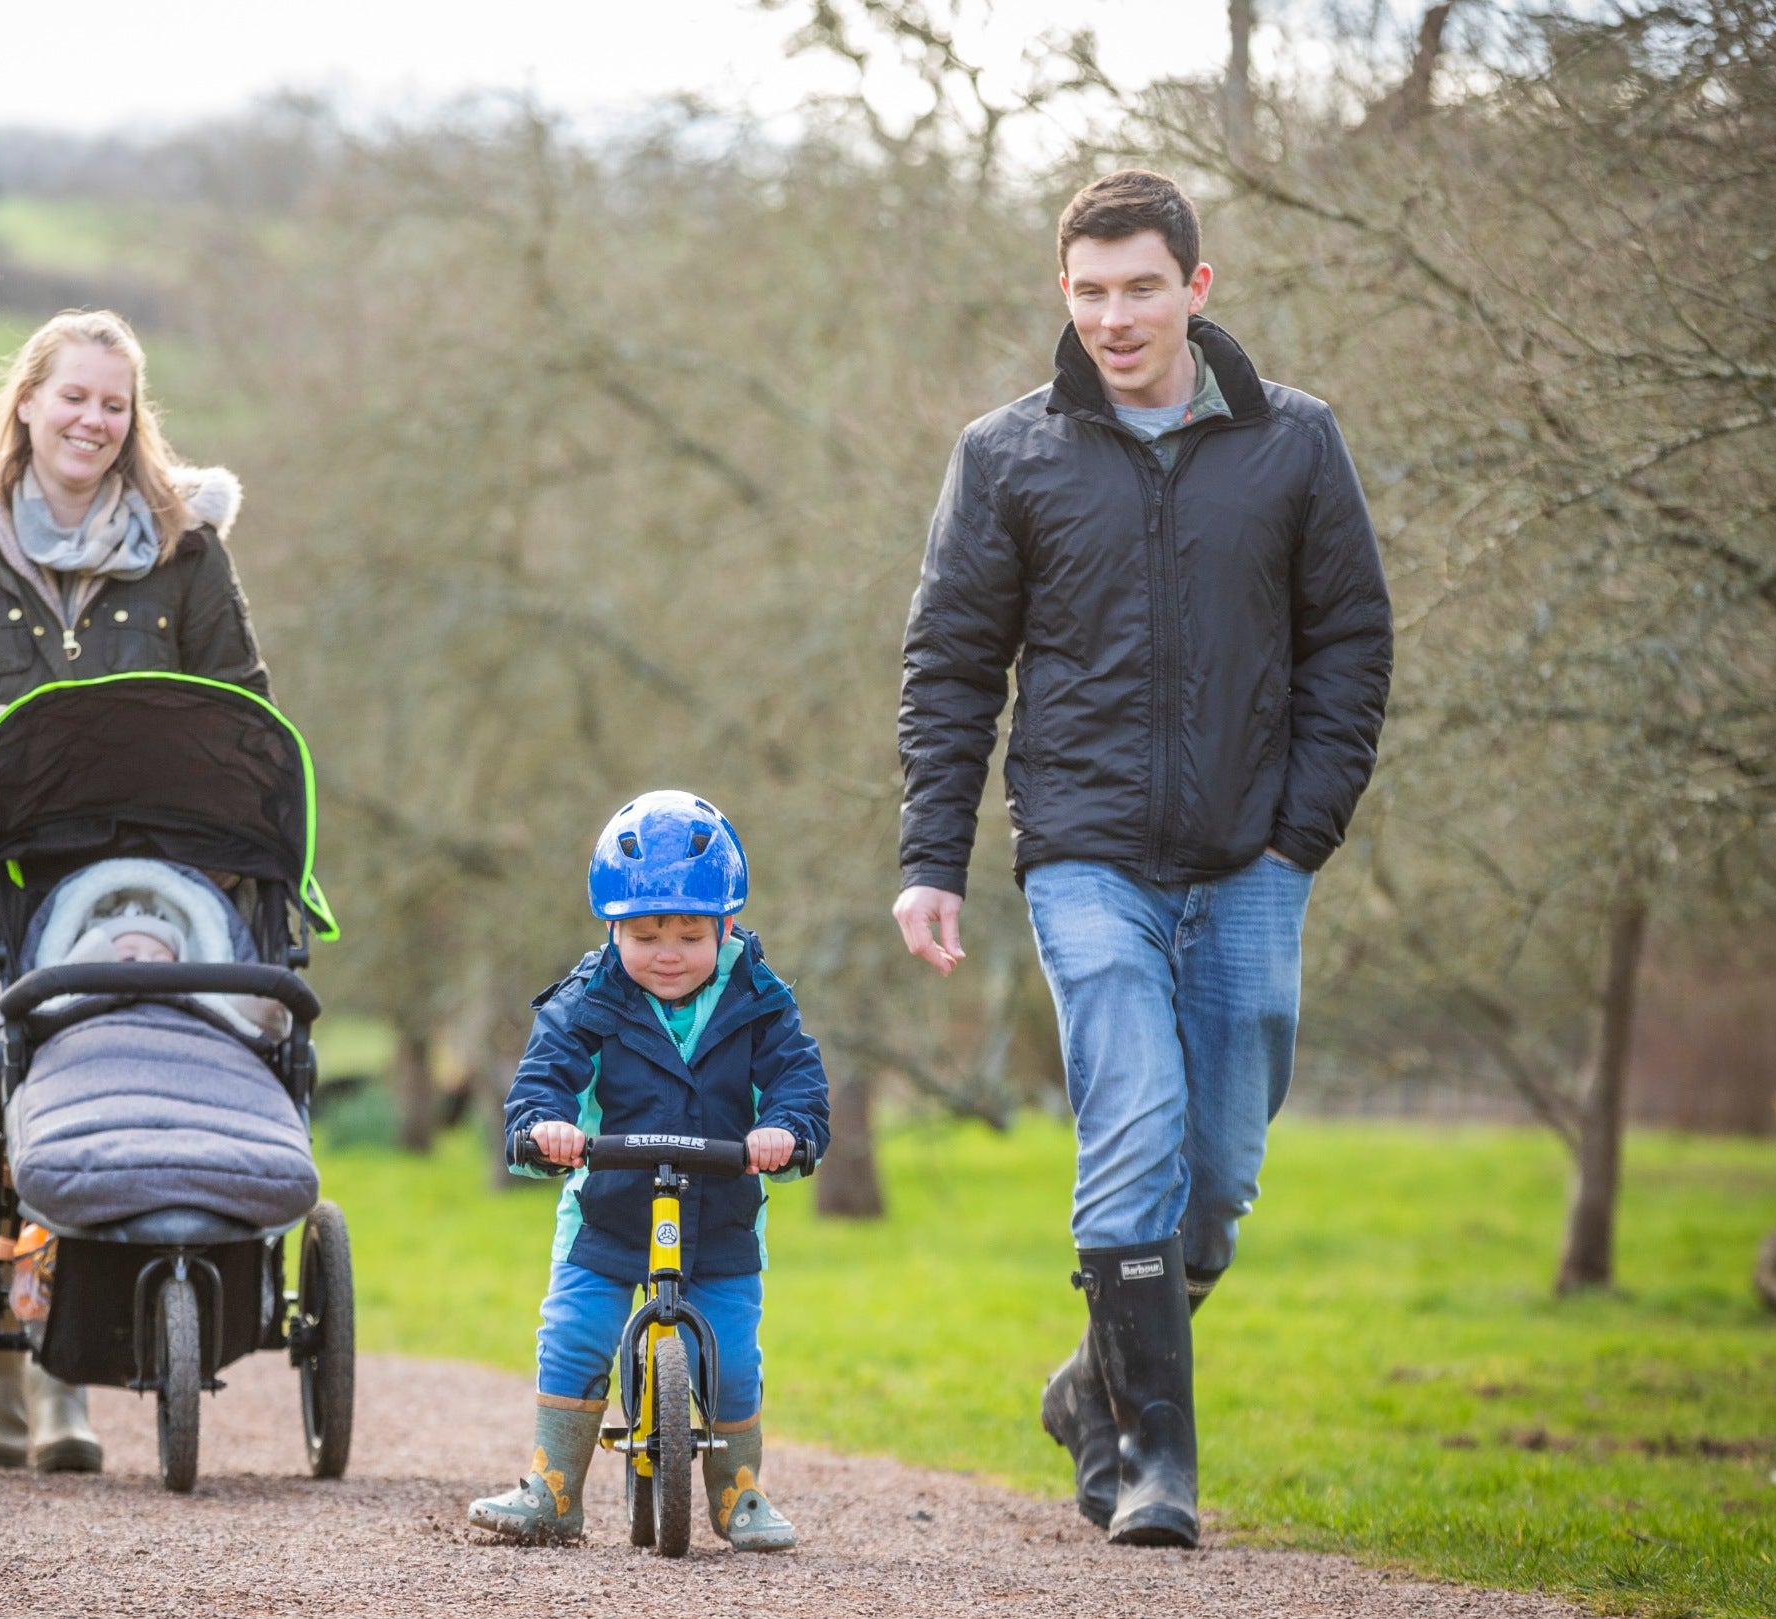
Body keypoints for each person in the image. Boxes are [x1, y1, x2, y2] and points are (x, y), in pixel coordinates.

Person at [890, 170, 1392, 1548]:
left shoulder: (1296, 445)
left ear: (1197, 288)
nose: (1116, 317)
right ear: (1067, 295)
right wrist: (933, 853)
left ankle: (1091, 1380)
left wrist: (1302, 830)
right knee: (1132, 1123)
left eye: (1142, 288)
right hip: (1085, 852)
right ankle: (1153, 1462)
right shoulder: (1010, 457)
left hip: (1251, 856)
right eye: (1092, 291)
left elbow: (1352, 640)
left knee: (1221, 1166)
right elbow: (950, 666)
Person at [0, 308, 270, 1473]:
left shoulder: (186, 548)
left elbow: (243, 703)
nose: (93, 419)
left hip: (135, 894)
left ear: (135, 420)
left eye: (115, 403)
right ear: (26, 402)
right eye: (74, 396)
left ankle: (65, 1383)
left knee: (99, 1115)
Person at [468, 791, 832, 1550]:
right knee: (573, 1333)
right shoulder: (590, 996)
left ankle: (740, 1492)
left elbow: (799, 1077)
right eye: (645, 933)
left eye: (690, 934)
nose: (667, 952)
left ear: (725, 927)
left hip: (723, 1207)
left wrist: (783, 1129)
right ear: (613, 929)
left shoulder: (759, 998)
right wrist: (546, 1126)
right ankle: (554, 1489)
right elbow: (545, 1074)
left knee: (730, 1354)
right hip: (609, 1206)